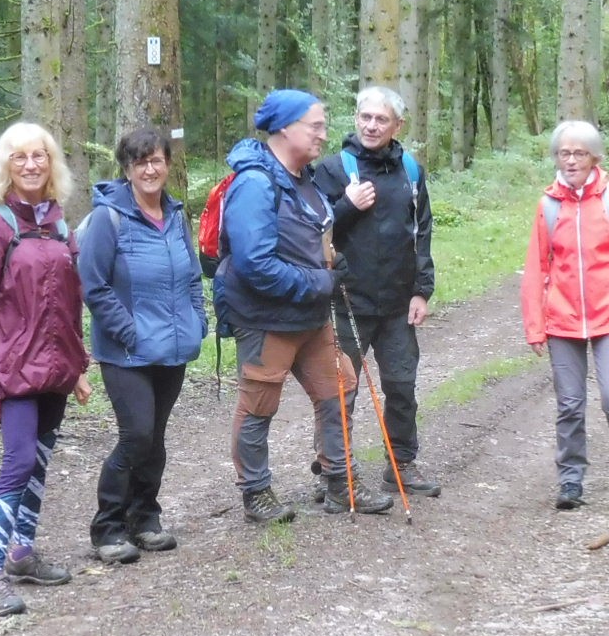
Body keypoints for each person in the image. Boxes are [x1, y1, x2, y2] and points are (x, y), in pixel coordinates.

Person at [0, 123, 92, 617]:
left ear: (51, 164)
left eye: (39, 156)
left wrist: (78, 367)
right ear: (5, 167)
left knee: (38, 463)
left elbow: (70, 305)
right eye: (19, 158)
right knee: (16, 465)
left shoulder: (60, 228)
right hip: (12, 371)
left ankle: (22, 552)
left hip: (55, 370)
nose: (31, 165)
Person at [215, 89, 368, 521]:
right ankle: (256, 493)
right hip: (266, 318)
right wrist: (321, 281)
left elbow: (313, 234)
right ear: (285, 128)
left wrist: (332, 263)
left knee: (339, 387)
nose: (324, 134)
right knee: (259, 404)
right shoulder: (254, 183)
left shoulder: (304, 178)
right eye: (315, 126)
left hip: (310, 316)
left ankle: (340, 484)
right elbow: (255, 265)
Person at [78, 127, 207, 564]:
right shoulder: (107, 218)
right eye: (140, 162)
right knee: (136, 436)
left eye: (156, 160)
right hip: (126, 352)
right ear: (127, 170)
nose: (149, 169)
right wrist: (130, 332)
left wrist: (197, 319)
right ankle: (107, 527)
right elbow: (93, 286)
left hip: (172, 348)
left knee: (155, 438)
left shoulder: (176, 216)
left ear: (168, 164)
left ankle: (144, 517)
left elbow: (191, 274)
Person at [311, 86, 440, 501]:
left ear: (397, 125)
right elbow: (313, 230)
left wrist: (422, 292)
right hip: (346, 301)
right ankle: (334, 473)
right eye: (365, 117)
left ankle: (401, 464)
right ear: (355, 120)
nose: (371, 125)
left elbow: (422, 233)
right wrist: (346, 205)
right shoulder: (332, 169)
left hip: (399, 304)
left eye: (380, 119)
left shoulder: (411, 171)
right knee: (341, 390)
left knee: (402, 385)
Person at [521, 121, 609, 512]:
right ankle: (570, 482)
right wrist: (535, 324)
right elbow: (536, 268)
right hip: (561, 321)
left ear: (595, 157)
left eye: (579, 153)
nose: (571, 160)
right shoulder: (548, 205)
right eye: (564, 153)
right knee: (569, 404)